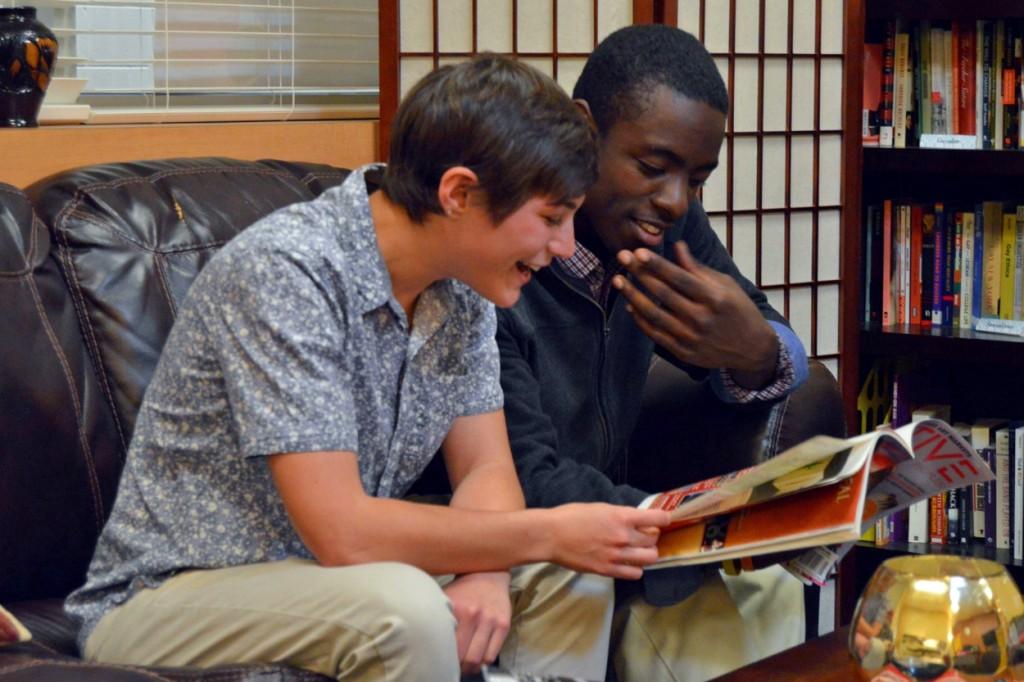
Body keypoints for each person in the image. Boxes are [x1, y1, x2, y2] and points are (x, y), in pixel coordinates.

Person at [64, 54, 672, 682]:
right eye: (550, 218)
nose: (566, 245)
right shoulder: (289, 270)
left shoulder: (461, 285)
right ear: (458, 193)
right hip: (172, 594)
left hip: (330, 579)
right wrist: (540, 534)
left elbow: (487, 465)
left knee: (571, 578)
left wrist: (489, 569)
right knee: (406, 611)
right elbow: (343, 531)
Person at [496, 25, 811, 681]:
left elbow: (767, 333)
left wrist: (755, 352)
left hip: (611, 519)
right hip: (524, 531)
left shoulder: (666, 223)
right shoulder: (499, 251)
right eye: (652, 166)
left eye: (697, 178)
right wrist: (683, 527)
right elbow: (519, 478)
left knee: (770, 589)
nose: (674, 201)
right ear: (581, 130)